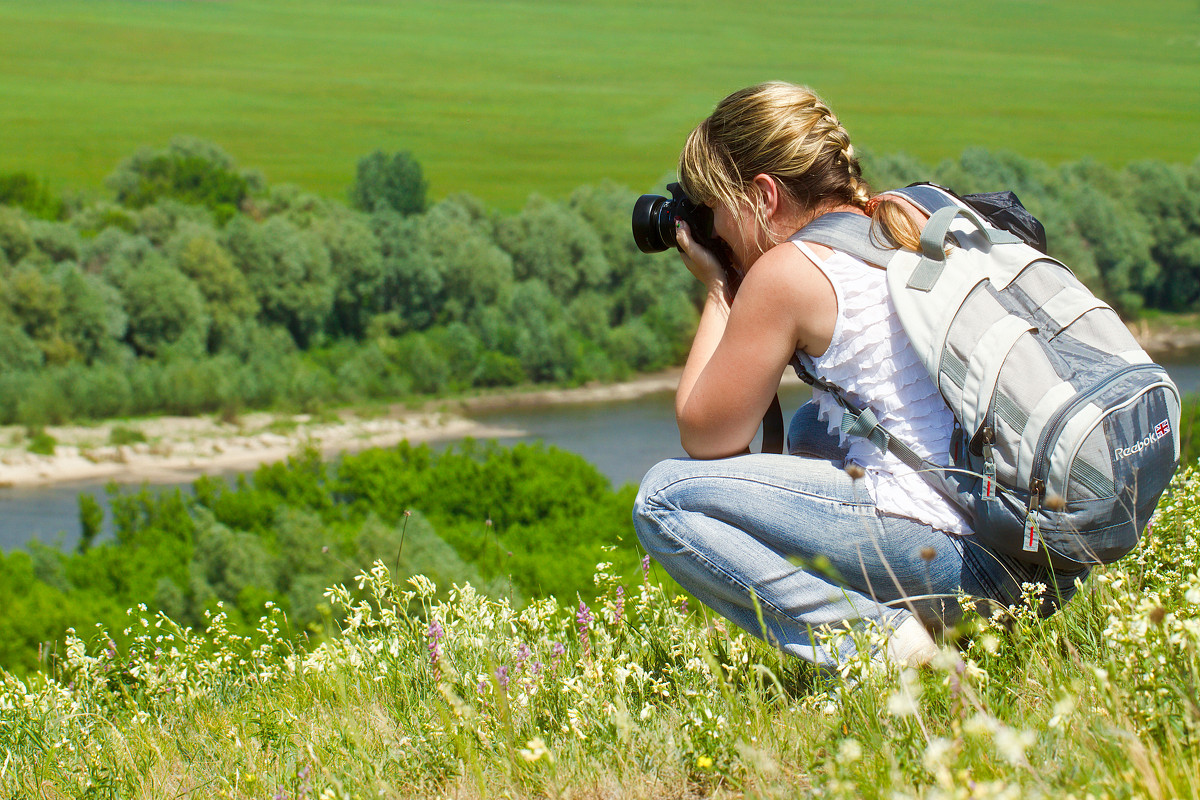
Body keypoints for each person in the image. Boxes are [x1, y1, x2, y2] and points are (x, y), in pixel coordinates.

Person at [632, 82, 1084, 669]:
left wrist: (720, 291)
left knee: (664, 500)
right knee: (812, 434)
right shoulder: (901, 222)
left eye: (717, 209)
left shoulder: (790, 271)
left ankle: (884, 646)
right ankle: (953, 634)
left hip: (956, 560)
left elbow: (707, 436)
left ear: (763, 196)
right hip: (1034, 559)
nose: (714, 229)